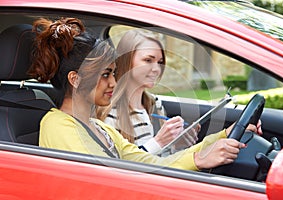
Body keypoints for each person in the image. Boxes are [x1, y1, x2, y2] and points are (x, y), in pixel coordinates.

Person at [28, 17, 261, 171]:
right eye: (106, 74)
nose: (113, 82)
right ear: (75, 79)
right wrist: (198, 160)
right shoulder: (57, 125)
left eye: (113, 73)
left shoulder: (100, 128)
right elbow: (106, 184)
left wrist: (224, 135)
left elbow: (151, 163)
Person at [99, 30, 198, 155]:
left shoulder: (154, 104)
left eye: (160, 62)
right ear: (127, 61)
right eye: (148, 60)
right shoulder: (111, 112)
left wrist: (177, 145)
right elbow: (118, 167)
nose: (157, 69)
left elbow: (163, 158)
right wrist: (158, 142)